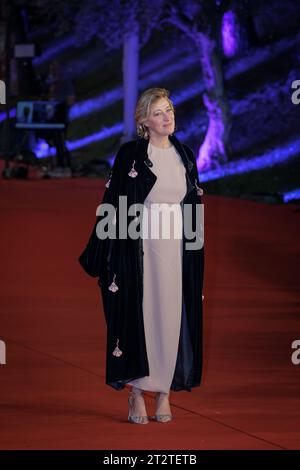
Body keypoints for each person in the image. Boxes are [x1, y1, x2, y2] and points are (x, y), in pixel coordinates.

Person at [78, 88, 205, 424]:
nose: (168, 117)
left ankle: (163, 393)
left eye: (170, 110)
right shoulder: (131, 156)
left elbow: (193, 211)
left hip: (176, 248)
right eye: (160, 112)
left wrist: (195, 259)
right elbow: (114, 205)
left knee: (171, 318)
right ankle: (137, 394)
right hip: (140, 249)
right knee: (142, 317)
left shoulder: (185, 155)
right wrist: (104, 252)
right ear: (144, 121)